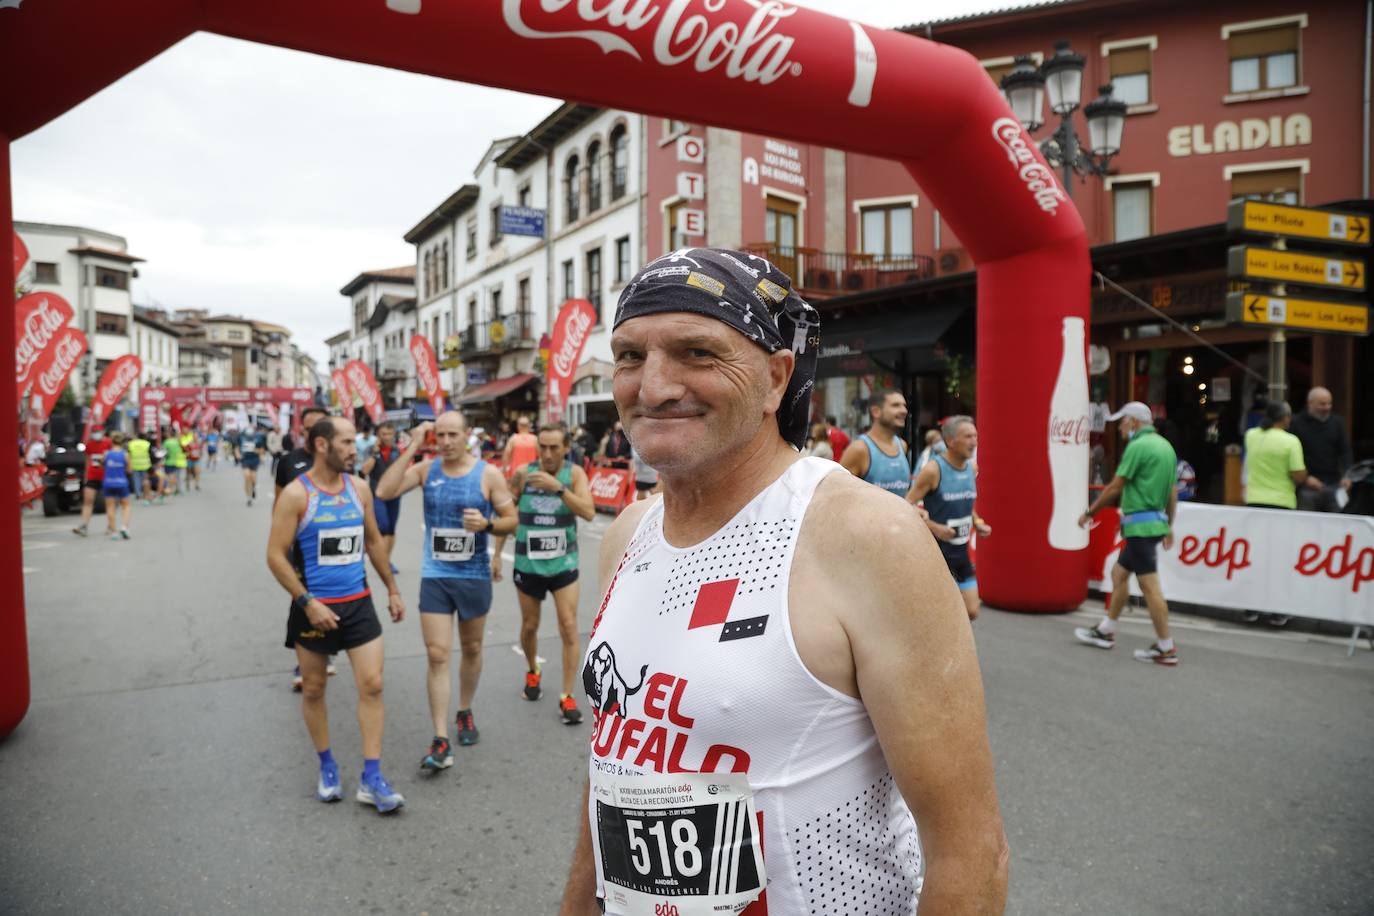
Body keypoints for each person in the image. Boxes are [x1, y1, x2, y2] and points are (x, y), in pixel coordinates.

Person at [560, 249, 1006, 914]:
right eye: (629, 356)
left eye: (697, 354)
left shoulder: (864, 534)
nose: (652, 387)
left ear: (775, 378)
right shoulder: (628, 535)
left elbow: (970, 853)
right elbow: (613, 775)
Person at [267, 415, 406, 813]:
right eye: (346, 442)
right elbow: (274, 555)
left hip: (358, 602)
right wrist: (307, 603)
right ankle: (327, 766)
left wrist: (392, 590)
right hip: (313, 608)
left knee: (374, 685)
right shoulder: (297, 494)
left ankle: (372, 777)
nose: (354, 449)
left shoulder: (359, 488)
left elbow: (375, 543)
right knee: (313, 688)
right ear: (322, 445)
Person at [375, 411, 517, 768]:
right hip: (435, 574)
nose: (447, 441)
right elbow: (384, 490)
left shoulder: (488, 474)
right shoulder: (427, 470)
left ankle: (464, 710)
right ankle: (440, 737)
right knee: (438, 655)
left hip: (473, 575)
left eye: (453, 434)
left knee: (471, 647)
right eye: (440, 435)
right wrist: (412, 447)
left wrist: (486, 524)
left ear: (467, 434)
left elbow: (512, 521)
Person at [492, 422, 596, 725]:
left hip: (563, 564)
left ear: (566, 448)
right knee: (529, 626)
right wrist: (497, 554)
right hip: (528, 564)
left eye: (554, 447)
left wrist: (558, 489)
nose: (548, 453)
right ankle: (533, 671)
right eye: (543, 447)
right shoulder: (524, 474)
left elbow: (589, 512)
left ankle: (567, 696)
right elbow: (507, 517)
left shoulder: (573, 474)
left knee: (567, 625)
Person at [1074, 401, 1180, 664]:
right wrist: (1169, 525)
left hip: (1140, 528)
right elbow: (1172, 492)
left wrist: (1089, 513)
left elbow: (1115, 486)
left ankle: (1166, 647)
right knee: (1119, 574)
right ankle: (1106, 630)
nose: (1120, 427)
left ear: (1133, 422)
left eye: (1122, 422)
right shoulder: (1165, 447)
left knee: (1149, 586)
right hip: (1151, 525)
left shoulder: (1138, 446)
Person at [274, 405, 333, 693]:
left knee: (334, 594)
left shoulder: (340, 460)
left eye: (321, 426)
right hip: (300, 546)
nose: (315, 433)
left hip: (335, 545)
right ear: (302, 431)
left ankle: (328, 648)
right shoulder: (289, 462)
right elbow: (278, 506)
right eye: (309, 429)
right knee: (303, 597)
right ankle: (305, 660)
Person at [909, 415, 990, 620]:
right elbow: (906, 505)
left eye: (975, 436)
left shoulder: (972, 468)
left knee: (971, 611)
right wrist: (935, 527)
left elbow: (964, 503)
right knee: (941, 615)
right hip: (937, 555)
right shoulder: (933, 470)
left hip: (961, 554)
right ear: (951, 441)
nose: (974, 441)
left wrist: (977, 522)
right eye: (968, 436)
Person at [1241, 400, 1309, 627]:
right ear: (1286, 418)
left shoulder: (1251, 435)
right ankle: (1278, 611)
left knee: (1257, 557)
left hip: (1255, 501)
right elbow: (1298, 474)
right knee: (1280, 559)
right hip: (1281, 503)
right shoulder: (1291, 441)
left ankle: (1251, 608)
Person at [1290, 387, 1354, 513]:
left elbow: (1345, 452)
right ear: (1310, 403)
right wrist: (1305, 478)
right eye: (1322, 404)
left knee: (1337, 525)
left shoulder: (1337, 422)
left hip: (1334, 485)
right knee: (1306, 525)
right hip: (1307, 487)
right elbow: (1290, 456)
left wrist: (1347, 475)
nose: (1327, 407)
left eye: (1329, 403)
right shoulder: (1296, 423)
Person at [840, 388, 912, 497]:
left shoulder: (902, 445)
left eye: (904, 406)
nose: (904, 411)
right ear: (876, 412)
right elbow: (840, 496)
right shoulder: (859, 449)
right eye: (896, 405)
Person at [361, 421, 404, 573]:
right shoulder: (370, 450)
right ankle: (380, 560)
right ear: (378, 435)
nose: (387, 437)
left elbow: (402, 471)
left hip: (394, 494)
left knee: (391, 529)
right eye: (383, 434)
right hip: (376, 494)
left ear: (394, 434)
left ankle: (386, 561)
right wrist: (375, 453)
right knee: (383, 526)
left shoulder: (397, 451)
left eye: (389, 434)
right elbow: (364, 471)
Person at [72, 426, 111, 537]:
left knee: (109, 502)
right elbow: (87, 460)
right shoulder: (89, 445)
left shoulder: (108, 443)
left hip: (106, 476)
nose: (96, 434)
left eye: (98, 432)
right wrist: (86, 475)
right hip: (92, 476)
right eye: (94, 432)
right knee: (88, 500)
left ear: (103, 432)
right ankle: (84, 526)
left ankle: (110, 526)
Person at [239, 424, 266, 506]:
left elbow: (262, 450)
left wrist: (258, 453)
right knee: (247, 477)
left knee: (253, 479)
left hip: (254, 460)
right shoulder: (241, 438)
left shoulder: (258, 439)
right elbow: (237, 447)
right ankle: (249, 498)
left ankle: (253, 488)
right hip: (245, 460)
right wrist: (237, 455)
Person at [127, 431, 152, 505]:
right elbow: (150, 454)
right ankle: (145, 493)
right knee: (145, 480)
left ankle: (138, 494)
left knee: (136, 480)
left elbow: (128, 454)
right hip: (145, 464)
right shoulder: (147, 444)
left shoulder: (131, 443)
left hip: (134, 464)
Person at [161, 427, 184, 497]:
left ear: (169, 434)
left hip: (169, 462)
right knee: (177, 476)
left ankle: (170, 489)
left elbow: (163, 452)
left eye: (167, 433)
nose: (165, 434)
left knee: (170, 476)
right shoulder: (177, 441)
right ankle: (177, 489)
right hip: (178, 461)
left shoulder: (167, 442)